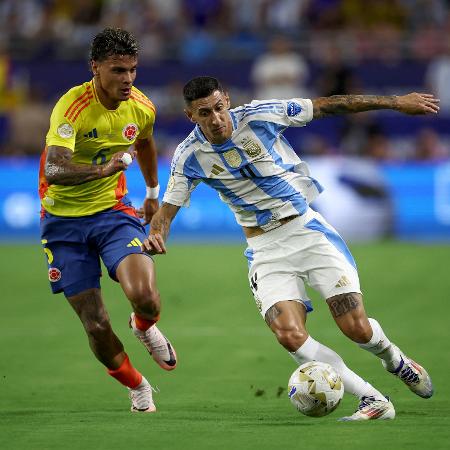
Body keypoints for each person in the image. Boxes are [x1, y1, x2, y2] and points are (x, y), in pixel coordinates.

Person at [143, 76, 437, 421]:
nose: (215, 118)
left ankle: (394, 360)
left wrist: (395, 101)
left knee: (356, 328)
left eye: (219, 108)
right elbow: (166, 211)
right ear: (191, 115)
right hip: (264, 249)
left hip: (306, 231)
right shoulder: (188, 155)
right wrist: (157, 235)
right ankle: (372, 399)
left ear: (228, 100)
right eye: (204, 113)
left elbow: (329, 105)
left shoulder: (261, 116)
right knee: (288, 334)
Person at [38, 28, 177, 413]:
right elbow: (54, 167)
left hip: (112, 213)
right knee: (96, 324)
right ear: (95, 68)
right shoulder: (72, 107)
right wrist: (105, 169)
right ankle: (137, 386)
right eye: (118, 70)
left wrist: (151, 193)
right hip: (62, 223)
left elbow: (146, 141)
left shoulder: (142, 107)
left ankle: (144, 327)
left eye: (132, 70)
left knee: (145, 296)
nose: (128, 80)